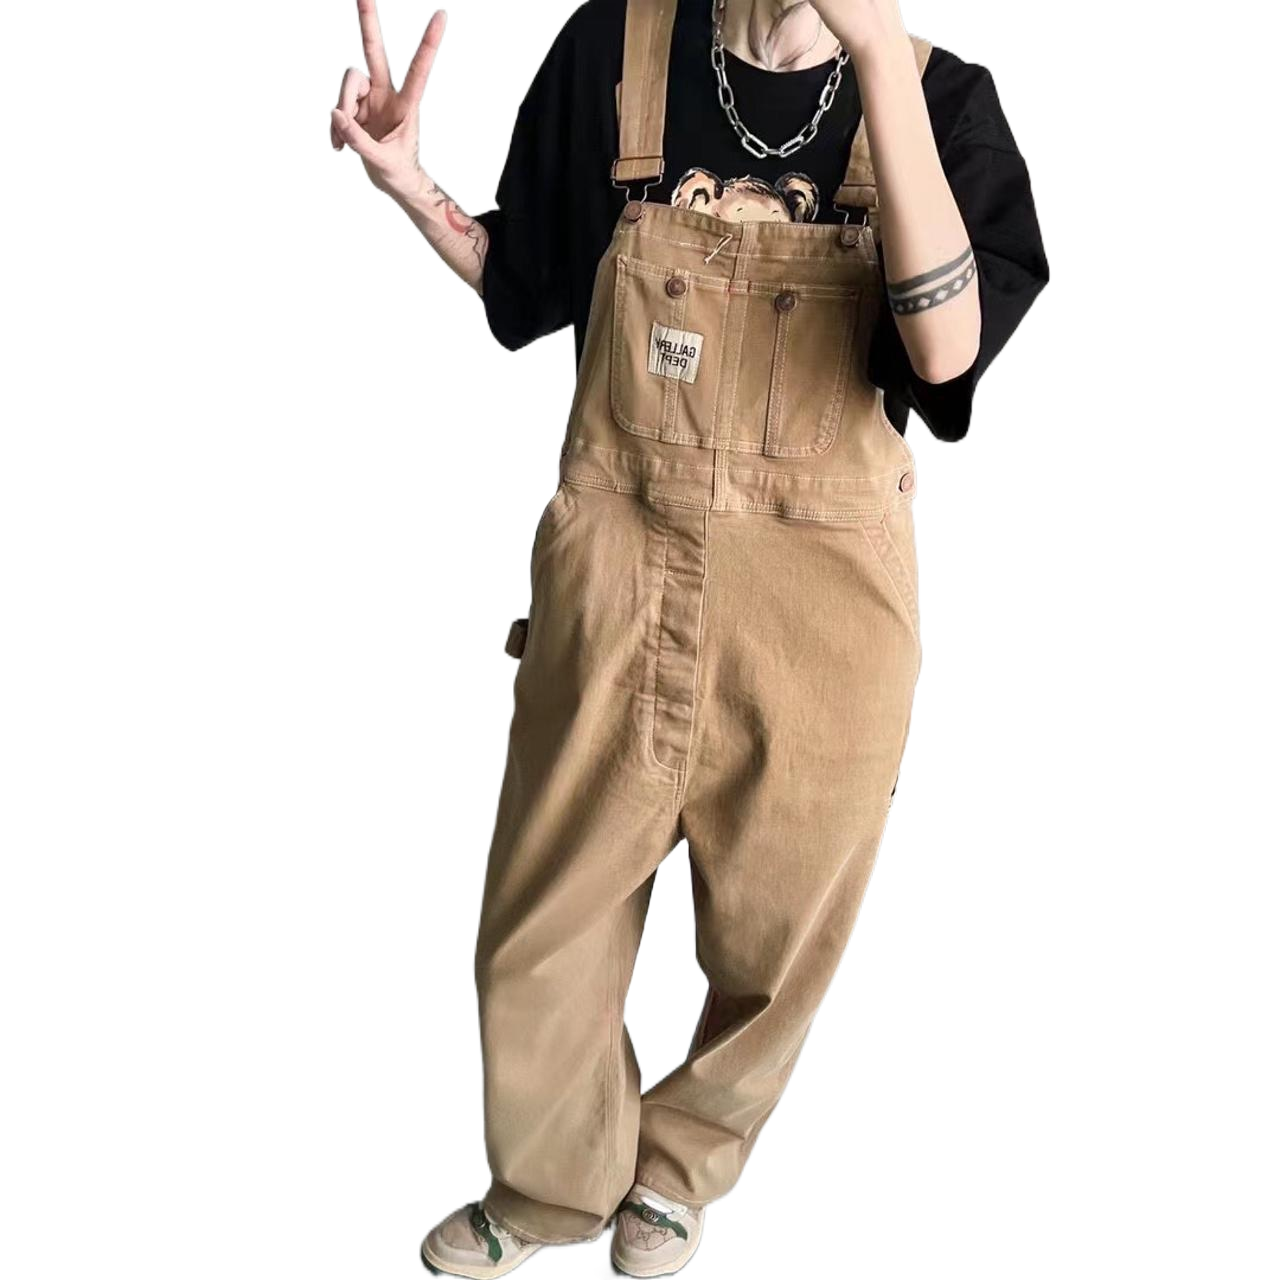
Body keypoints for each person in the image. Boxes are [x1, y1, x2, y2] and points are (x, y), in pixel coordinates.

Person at [331, 0, 1048, 1274]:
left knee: (778, 940)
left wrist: (874, 54)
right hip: (616, 566)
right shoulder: (619, 48)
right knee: (538, 928)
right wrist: (411, 190)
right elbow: (526, 278)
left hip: (823, 613)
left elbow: (944, 358)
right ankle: (551, 1183)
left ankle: (676, 1167)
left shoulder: (943, 103)